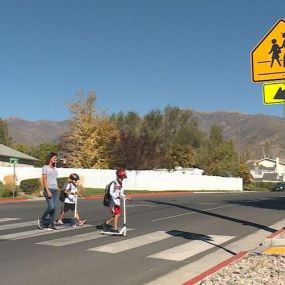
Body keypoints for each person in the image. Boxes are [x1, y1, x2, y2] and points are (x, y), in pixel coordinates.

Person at [103, 168, 130, 233]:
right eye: (121, 177)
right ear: (118, 176)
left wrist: (126, 197)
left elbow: (121, 193)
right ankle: (115, 229)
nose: (122, 179)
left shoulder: (120, 184)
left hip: (117, 202)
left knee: (117, 215)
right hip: (112, 202)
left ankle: (106, 223)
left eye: (123, 178)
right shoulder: (114, 183)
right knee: (117, 214)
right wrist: (117, 196)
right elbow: (111, 192)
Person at [38, 152, 59, 230]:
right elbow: (44, 180)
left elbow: (54, 178)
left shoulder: (55, 168)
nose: (56, 159)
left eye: (56, 158)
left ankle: (51, 224)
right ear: (50, 158)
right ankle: (41, 220)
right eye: (54, 158)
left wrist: (57, 187)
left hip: (55, 189)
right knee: (51, 207)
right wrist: (48, 191)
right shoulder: (45, 167)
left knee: (54, 208)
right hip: (49, 189)